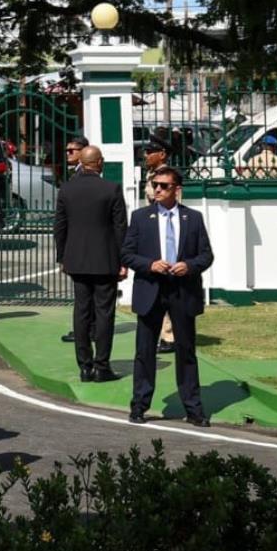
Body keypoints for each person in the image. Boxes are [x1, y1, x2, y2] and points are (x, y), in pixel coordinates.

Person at [122, 166, 214, 427]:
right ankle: (139, 405)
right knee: (145, 351)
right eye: (155, 185)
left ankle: (194, 408)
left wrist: (190, 265)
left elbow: (206, 255)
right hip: (151, 288)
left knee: (185, 351)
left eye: (164, 185)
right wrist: (150, 264)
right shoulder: (140, 217)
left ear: (177, 189)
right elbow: (127, 254)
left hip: (182, 290)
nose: (158, 190)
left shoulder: (193, 218)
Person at [54, 145, 128, 384]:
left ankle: (84, 366)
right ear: (98, 163)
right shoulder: (111, 189)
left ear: (82, 163)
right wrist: (123, 261)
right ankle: (101, 365)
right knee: (104, 314)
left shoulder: (67, 189)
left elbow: (60, 226)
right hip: (105, 261)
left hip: (76, 259)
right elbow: (120, 228)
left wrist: (62, 256)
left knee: (81, 311)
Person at [142, 137, 178, 355]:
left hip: (166, 236)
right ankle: (165, 333)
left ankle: (171, 336)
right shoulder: (152, 175)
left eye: (151, 151)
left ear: (162, 153)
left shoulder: (168, 177)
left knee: (168, 287)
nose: (147, 155)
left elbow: (171, 207)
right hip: (154, 233)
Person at [59, 136, 91, 344]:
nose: (69, 153)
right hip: (80, 240)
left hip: (83, 240)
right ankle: (87, 329)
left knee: (85, 295)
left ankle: (86, 330)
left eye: (73, 150)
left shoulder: (84, 176)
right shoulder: (76, 174)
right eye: (67, 150)